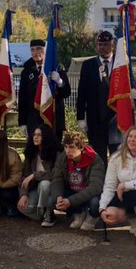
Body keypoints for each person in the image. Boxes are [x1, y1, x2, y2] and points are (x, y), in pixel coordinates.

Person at [75, 31, 117, 160]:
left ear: (112, 45)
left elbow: (128, 86)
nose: (102, 47)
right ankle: (99, 180)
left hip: (116, 118)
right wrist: (81, 117)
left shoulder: (120, 63)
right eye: (100, 44)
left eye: (106, 44)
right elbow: (82, 92)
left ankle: (115, 181)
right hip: (95, 118)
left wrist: (134, 93)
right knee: (98, 156)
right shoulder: (88, 65)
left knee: (117, 155)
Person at [17, 38, 71, 136]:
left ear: (45, 50)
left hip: (53, 118)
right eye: (32, 50)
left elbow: (67, 92)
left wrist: (59, 82)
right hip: (33, 120)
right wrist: (22, 122)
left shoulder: (57, 67)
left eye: (38, 49)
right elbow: (22, 98)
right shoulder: (27, 71)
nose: (35, 52)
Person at [56, 129, 107, 230]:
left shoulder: (94, 159)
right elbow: (57, 179)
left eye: (71, 147)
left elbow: (95, 187)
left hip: (91, 194)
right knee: (51, 199)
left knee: (94, 203)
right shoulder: (63, 158)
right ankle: (78, 213)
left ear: (81, 147)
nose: (67, 151)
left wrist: (70, 201)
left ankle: (93, 216)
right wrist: (58, 196)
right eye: (65, 147)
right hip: (73, 190)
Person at [18, 125, 63, 225]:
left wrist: (34, 175)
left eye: (39, 135)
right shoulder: (31, 153)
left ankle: (47, 211)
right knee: (22, 207)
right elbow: (24, 176)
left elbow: (55, 174)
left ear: (46, 137)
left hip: (52, 189)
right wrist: (23, 195)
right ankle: (43, 215)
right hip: (35, 188)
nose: (36, 137)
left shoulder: (56, 153)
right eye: (34, 135)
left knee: (44, 184)